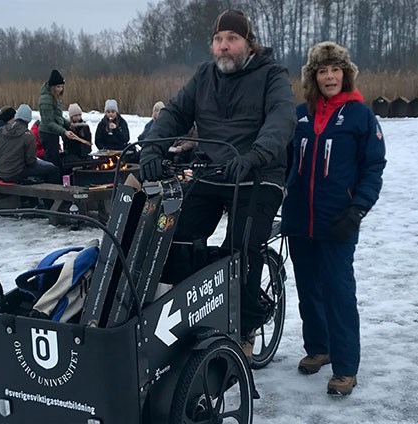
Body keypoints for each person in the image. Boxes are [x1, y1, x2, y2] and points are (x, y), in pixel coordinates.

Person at [138, 9, 296, 358]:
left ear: (247, 42)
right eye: (218, 40)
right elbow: (174, 113)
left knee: (241, 246)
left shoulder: (271, 75)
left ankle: (247, 325)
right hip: (214, 172)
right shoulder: (204, 76)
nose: (224, 47)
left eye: (232, 39)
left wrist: (255, 155)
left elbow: (282, 119)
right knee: (175, 234)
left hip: (258, 173)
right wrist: (151, 149)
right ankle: (190, 312)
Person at [280, 41, 386, 396]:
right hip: (299, 219)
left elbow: (373, 166)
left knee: (338, 292)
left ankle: (345, 367)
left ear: (346, 73)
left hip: (338, 219)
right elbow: (283, 160)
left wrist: (357, 209)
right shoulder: (299, 115)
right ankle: (319, 347)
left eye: (335, 69)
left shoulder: (360, 116)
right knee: (309, 289)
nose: (329, 76)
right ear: (313, 77)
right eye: (322, 71)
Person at [0, 104, 60, 184]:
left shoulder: (1, 130)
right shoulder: (28, 136)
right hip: (17, 174)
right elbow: (31, 161)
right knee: (54, 170)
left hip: (1, 173)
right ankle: (50, 195)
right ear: (28, 120)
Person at [38, 69, 77, 170]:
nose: (60, 89)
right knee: (51, 159)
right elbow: (49, 123)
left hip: (54, 132)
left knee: (55, 158)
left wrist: (69, 124)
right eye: (57, 87)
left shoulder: (55, 97)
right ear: (52, 87)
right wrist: (64, 132)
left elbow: (58, 117)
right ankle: (50, 182)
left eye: (61, 86)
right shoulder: (46, 99)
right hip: (47, 133)